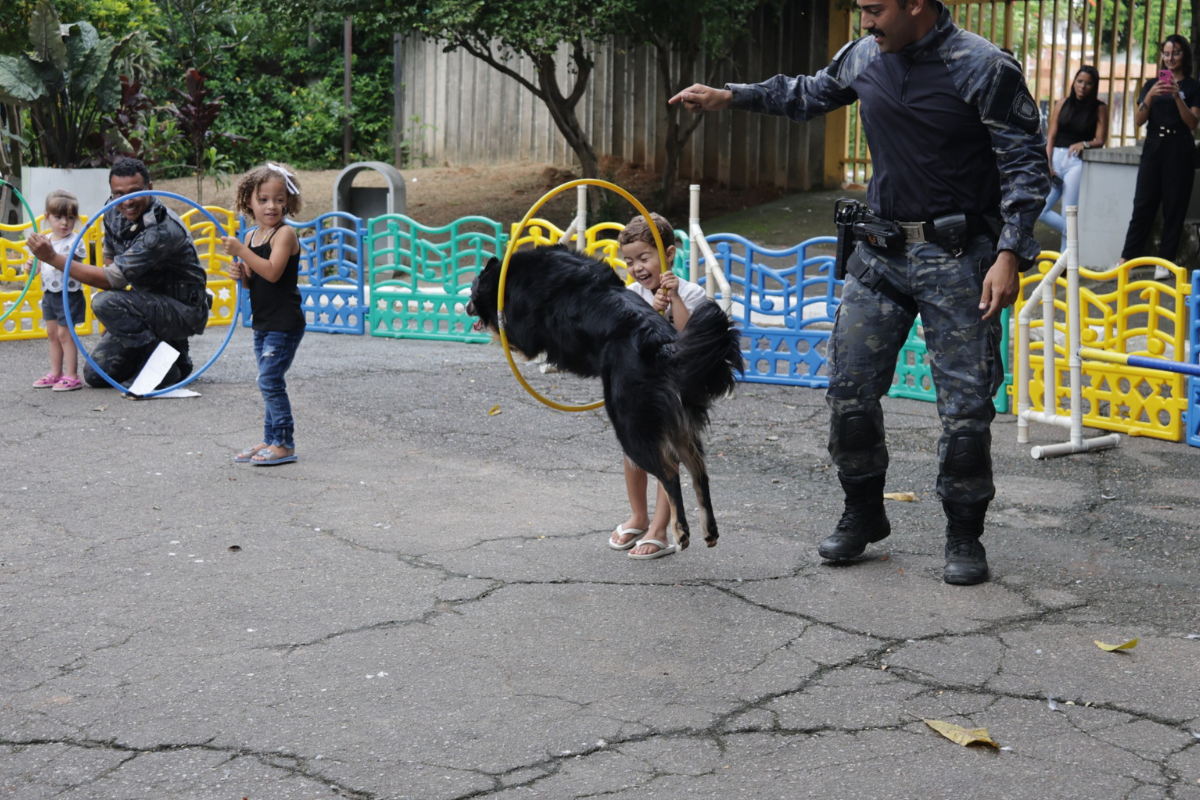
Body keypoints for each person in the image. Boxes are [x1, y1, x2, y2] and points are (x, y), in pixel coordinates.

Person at [669, 0, 1049, 585]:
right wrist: (730, 96)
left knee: (966, 409)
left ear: (916, 4)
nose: (865, 22)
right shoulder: (865, 57)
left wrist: (1009, 254)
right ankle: (864, 512)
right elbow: (806, 93)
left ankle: (964, 534)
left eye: (874, 9)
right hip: (880, 256)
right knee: (848, 392)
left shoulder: (982, 67)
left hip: (957, 259)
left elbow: (1026, 166)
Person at [28, 157, 211, 390]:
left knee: (104, 302)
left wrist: (53, 258)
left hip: (182, 309)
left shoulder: (161, 230)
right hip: (146, 305)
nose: (128, 200)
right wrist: (115, 318)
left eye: (135, 192)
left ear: (150, 188)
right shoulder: (113, 210)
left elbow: (111, 278)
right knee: (96, 375)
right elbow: (110, 253)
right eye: (119, 193)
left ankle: (165, 367)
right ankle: (175, 354)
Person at [609, 212, 708, 559]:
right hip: (639, 387)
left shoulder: (692, 292)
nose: (636, 267)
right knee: (632, 451)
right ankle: (638, 516)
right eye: (629, 260)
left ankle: (660, 530)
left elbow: (689, 336)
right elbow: (627, 339)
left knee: (665, 455)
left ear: (667, 255)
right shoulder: (631, 293)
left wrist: (674, 299)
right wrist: (651, 309)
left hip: (675, 390)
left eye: (644, 257)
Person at [221, 164, 306, 466]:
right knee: (267, 379)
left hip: (285, 323)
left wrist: (243, 254)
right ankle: (270, 438)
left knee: (269, 381)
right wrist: (240, 274)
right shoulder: (251, 235)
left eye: (279, 199)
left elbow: (271, 273)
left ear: (289, 202)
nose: (272, 206)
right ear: (248, 202)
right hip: (264, 322)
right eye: (264, 199)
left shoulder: (285, 234)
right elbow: (252, 279)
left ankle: (284, 443)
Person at [1119, 34, 1200, 279]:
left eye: (1175, 52)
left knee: (1174, 205)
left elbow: (1192, 123)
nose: (1170, 57)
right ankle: (1126, 260)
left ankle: (1165, 261)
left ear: (1184, 55)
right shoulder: (1151, 84)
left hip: (1180, 146)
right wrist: (1151, 95)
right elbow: (1139, 120)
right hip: (1154, 144)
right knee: (1143, 204)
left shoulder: (1193, 86)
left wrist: (1177, 96)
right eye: (1166, 53)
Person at [25, 189, 88, 392]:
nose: (64, 223)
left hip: (68, 295)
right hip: (50, 295)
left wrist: (50, 257)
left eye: (70, 218)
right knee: (52, 333)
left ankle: (72, 375)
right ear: (47, 218)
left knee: (64, 334)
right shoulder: (45, 241)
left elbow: (73, 267)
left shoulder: (75, 241)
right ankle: (56, 373)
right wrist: (29, 267)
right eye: (58, 217)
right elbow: (37, 268)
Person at [1040, 66, 1108, 244]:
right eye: (1079, 81)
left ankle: (1066, 266)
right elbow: (1051, 135)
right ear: (1074, 82)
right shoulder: (1062, 103)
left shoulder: (1100, 108)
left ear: (1094, 86)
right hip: (1055, 158)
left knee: (1068, 212)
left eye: (1088, 83)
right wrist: (1047, 163)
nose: (1083, 86)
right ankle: (1073, 233)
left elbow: (1100, 140)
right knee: (1040, 208)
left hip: (1076, 161)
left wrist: (1084, 143)